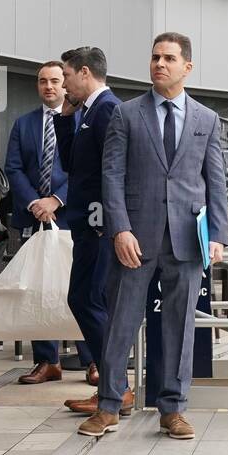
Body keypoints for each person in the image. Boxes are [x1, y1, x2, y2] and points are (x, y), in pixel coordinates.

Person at [80, 32, 228, 438]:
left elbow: (215, 181)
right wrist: (120, 229)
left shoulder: (206, 119)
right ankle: (108, 405)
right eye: (155, 57)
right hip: (135, 239)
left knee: (179, 326)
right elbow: (111, 176)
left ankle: (173, 409)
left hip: (186, 240)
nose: (159, 64)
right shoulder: (126, 115)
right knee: (120, 322)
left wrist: (217, 235)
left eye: (168, 58)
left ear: (187, 67)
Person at [53, 46, 131, 414]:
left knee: (89, 300)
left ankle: (116, 388)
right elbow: (71, 165)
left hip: (100, 225)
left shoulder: (108, 109)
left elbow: (114, 173)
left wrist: (109, 224)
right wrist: (65, 119)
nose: (62, 85)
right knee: (82, 299)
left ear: (84, 73)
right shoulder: (85, 112)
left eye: (65, 76)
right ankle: (112, 386)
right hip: (87, 222)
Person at [4, 61, 92, 382]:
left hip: (72, 216)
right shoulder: (23, 124)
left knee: (79, 288)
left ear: (65, 83)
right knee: (39, 290)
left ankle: (91, 359)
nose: (49, 87)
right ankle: (47, 361)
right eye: (43, 81)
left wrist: (56, 199)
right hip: (36, 218)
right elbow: (12, 168)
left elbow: (85, 168)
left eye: (55, 80)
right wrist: (36, 203)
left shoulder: (83, 121)